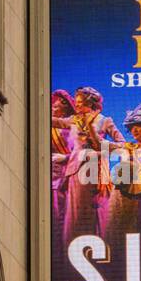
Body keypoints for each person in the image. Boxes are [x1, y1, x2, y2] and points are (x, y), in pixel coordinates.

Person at [56, 86, 124, 244]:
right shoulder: (75, 120)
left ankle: (99, 249)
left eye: (80, 102)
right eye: (76, 102)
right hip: (77, 171)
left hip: (97, 172)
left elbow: (121, 144)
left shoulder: (104, 120)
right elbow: (56, 121)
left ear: (90, 103)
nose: (77, 105)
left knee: (97, 210)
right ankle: (73, 249)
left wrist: (99, 152)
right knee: (75, 213)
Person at [105, 101, 141, 254]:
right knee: (116, 238)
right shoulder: (126, 147)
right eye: (132, 127)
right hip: (120, 199)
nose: (135, 130)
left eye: (140, 125)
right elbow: (103, 145)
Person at [50, 89, 76, 234]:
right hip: (51, 176)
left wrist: (65, 158)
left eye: (55, 106)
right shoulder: (48, 129)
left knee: (62, 214)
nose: (51, 108)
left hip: (66, 176)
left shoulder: (72, 126)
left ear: (64, 108)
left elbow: (79, 153)